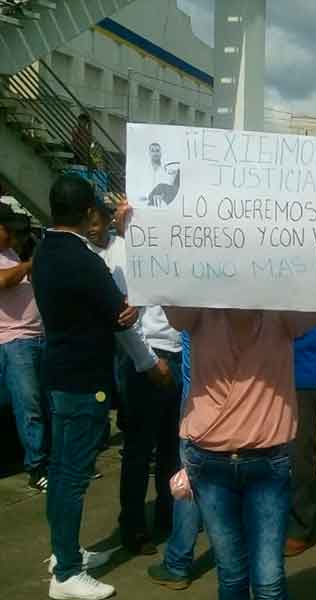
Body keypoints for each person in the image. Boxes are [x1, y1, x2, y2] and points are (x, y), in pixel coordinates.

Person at [162, 225, 316, 600]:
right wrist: (140, 233)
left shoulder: (283, 315)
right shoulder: (196, 312)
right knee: (232, 575)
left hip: (267, 463)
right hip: (210, 464)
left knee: (268, 581)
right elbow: (161, 282)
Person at [32, 174, 139, 600]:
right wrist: (125, 314)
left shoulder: (45, 251)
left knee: (59, 472)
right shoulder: (83, 260)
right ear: (88, 213)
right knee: (73, 476)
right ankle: (67, 574)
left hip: (59, 373)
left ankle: (63, 552)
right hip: (83, 381)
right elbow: (121, 310)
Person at [87, 201, 178, 555]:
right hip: (145, 360)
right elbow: (123, 320)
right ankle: (133, 526)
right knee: (139, 449)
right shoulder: (121, 251)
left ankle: (169, 517)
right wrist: (148, 362)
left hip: (181, 355)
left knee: (172, 447)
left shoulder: (183, 249)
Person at [147, 332, 204, 591]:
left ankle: (177, 563)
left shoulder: (195, 318)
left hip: (201, 415)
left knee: (189, 483)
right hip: (247, 419)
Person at [0, 204, 49, 491]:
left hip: (38, 336)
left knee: (44, 403)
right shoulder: (18, 261)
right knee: (28, 406)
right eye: (9, 230)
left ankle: (48, 459)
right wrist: (30, 265)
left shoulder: (14, 253)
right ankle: (36, 466)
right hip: (14, 341)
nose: (14, 236)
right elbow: (5, 280)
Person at [284, 321, 316, 557]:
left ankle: (302, 526)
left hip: (303, 377)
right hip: (269, 375)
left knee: (299, 452)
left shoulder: (313, 292)